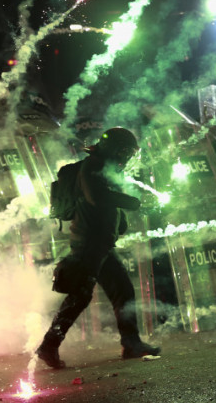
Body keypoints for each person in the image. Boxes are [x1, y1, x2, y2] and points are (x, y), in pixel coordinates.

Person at [36, 127, 160, 368]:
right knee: (80, 296)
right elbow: (97, 198)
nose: (126, 157)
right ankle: (48, 346)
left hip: (99, 244)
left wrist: (120, 219)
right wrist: (133, 203)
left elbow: (104, 202)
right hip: (89, 243)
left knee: (121, 290)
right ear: (115, 148)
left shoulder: (101, 167)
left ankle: (131, 343)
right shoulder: (92, 167)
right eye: (124, 151)